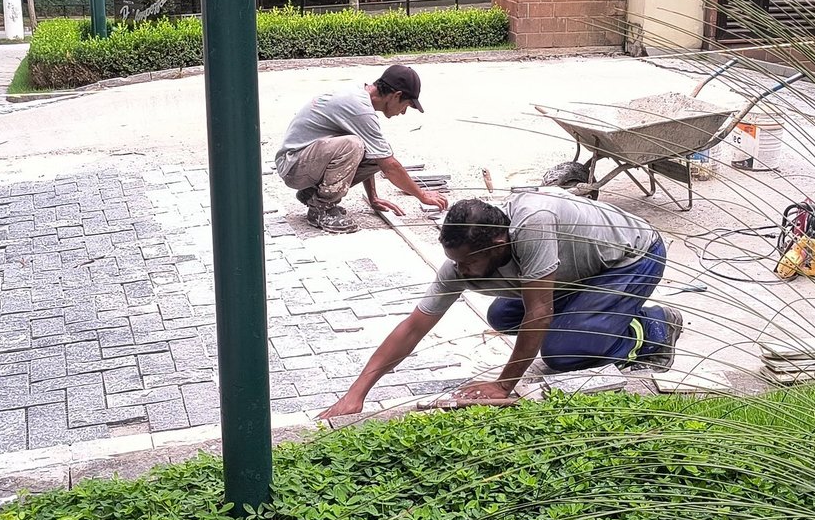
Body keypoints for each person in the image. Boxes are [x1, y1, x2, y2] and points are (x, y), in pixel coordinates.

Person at [321, 192, 684, 418]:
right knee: (502, 314)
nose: (461, 270)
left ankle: (652, 327)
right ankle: (600, 315)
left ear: (499, 241)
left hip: (631, 255)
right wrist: (356, 395)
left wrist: (503, 384)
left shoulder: (534, 226)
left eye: (469, 262)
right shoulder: (463, 260)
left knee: (563, 352)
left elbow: (539, 310)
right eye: (456, 261)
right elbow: (414, 327)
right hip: (578, 269)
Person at [273, 65, 448, 232]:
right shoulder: (359, 108)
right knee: (354, 145)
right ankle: (321, 210)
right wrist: (422, 195)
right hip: (293, 165)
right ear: (396, 95)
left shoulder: (360, 96)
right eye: (407, 106)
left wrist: (373, 197)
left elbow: (377, 155)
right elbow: (389, 166)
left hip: (304, 161)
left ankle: (311, 194)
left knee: (377, 150)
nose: (403, 112)